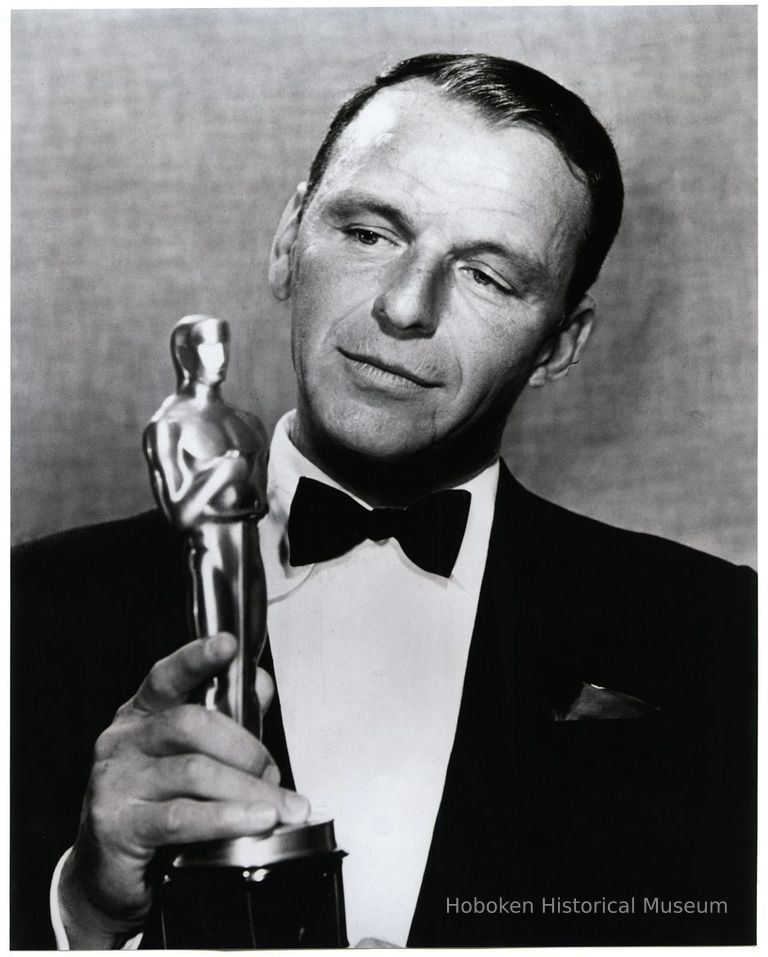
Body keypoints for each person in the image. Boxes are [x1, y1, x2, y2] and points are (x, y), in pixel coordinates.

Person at [11, 52, 756, 949]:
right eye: (369, 233)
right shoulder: (30, 613)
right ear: (289, 236)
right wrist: (85, 912)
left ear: (561, 344)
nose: (406, 305)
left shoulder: (723, 637)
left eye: (487, 275)